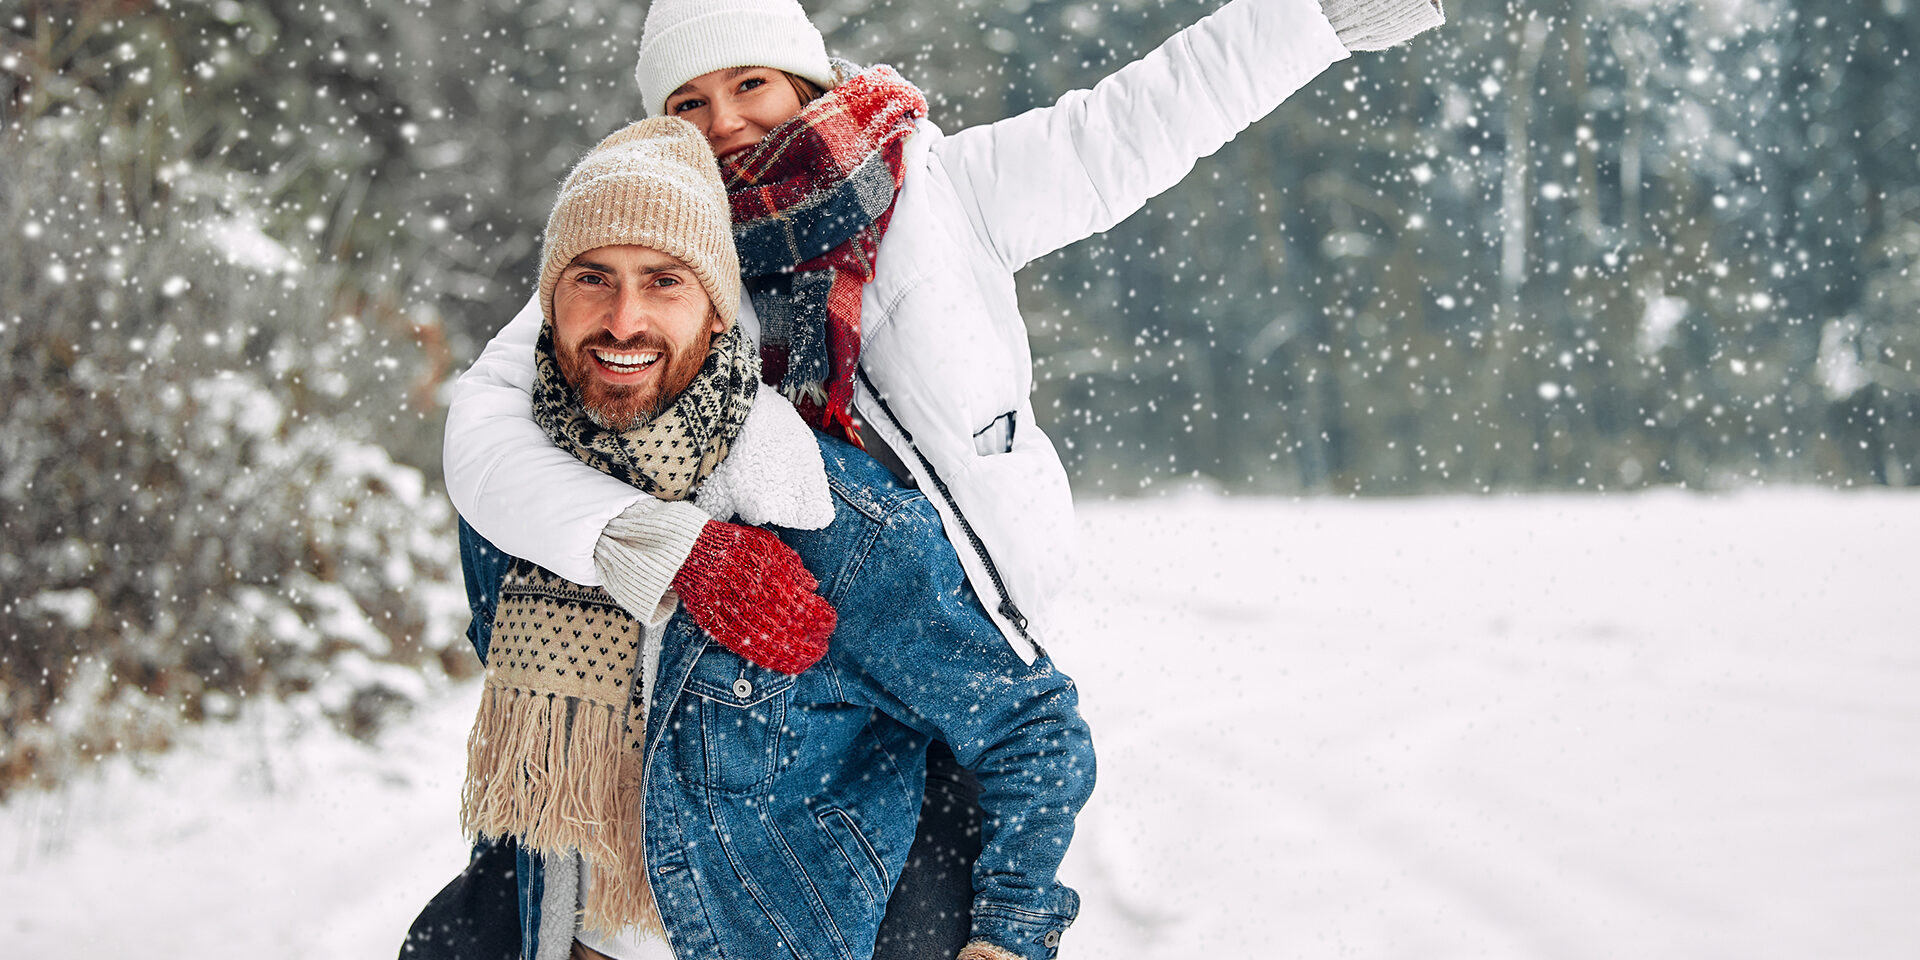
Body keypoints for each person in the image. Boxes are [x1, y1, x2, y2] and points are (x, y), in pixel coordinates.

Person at [441, 0, 1442, 951]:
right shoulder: (658, 253)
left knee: (951, 898)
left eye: (749, 83)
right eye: (688, 104)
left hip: (955, 640)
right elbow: (484, 430)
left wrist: (1313, 19)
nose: (727, 123)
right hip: (794, 675)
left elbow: (1134, 123)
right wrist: (658, 542)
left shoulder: (944, 190)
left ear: (801, 75)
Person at [423, 117, 1095, 960]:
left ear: (715, 310)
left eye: (663, 281)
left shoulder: (832, 524)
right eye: (592, 279)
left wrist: (1007, 938)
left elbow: (1032, 725)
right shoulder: (516, 522)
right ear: (549, 305)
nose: (622, 319)